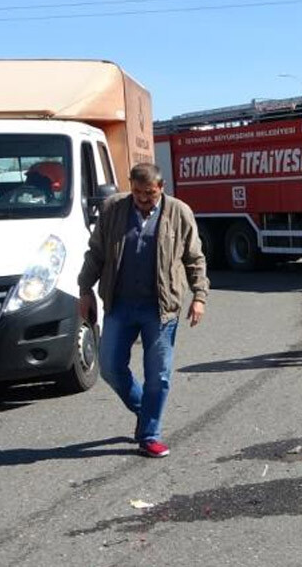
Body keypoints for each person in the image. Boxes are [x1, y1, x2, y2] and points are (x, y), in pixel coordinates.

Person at [78, 163, 209, 459]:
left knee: (158, 374)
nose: (142, 198)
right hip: (120, 304)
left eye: (148, 193)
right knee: (109, 367)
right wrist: (84, 289)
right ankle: (144, 409)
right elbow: (96, 252)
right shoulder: (113, 209)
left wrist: (199, 296)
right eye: (136, 192)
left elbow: (194, 257)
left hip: (161, 309)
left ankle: (150, 434)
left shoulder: (179, 212)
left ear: (161, 188)